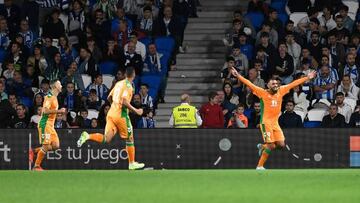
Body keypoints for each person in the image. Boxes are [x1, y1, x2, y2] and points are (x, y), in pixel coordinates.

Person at [230, 67, 316, 170]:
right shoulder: (262, 92)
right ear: (268, 85)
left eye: (276, 84)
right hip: (266, 123)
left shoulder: (281, 90)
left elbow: (294, 83)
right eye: (273, 84)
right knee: (271, 145)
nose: (276, 85)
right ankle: (260, 166)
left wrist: (307, 77)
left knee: (281, 144)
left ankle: (263, 147)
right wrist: (238, 75)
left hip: (275, 123)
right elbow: (249, 84)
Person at [76, 67, 145, 170]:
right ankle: (131, 163)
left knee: (106, 139)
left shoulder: (118, 84)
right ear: (134, 75)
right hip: (121, 116)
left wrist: (114, 106)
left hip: (111, 113)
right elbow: (124, 101)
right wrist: (136, 110)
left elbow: (109, 97)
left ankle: (87, 136)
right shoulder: (128, 86)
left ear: (125, 74)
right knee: (130, 139)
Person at [30, 80, 66, 171]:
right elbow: (45, 111)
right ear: (54, 86)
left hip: (50, 126)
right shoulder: (49, 97)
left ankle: (33, 151)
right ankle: (36, 166)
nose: (61, 85)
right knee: (46, 146)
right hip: (45, 124)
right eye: (59, 84)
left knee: (56, 146)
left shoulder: (55, 97)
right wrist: (59, 111)